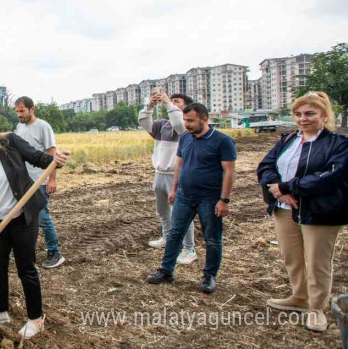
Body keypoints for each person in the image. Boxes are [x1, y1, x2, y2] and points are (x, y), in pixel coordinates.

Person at [0, 114, 69, 340]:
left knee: (25, 268)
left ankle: (35, 319)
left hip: (23, 218)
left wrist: (55, 160)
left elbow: (38, 158)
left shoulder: (10, 142)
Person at [256, 91, 348, 332]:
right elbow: (265, 166)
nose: (302, 119)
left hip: (320, 211)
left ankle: (317, 309)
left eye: (309, 113)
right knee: (292, 257)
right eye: (298, 114)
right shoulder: (287, 140)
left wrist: (289, 186)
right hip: (285, 209)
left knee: (317, 261)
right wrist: (278, 191)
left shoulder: (338, 143)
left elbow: (332, 176)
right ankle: (299, 297)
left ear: (324, 115)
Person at [147, 103, 236, 294]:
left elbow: (229, 172)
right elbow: (179, 164)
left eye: (190, 120)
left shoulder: (222, 141)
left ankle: (209, 276)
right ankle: (166, 270)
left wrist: (224, 200)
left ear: (204, 119)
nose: (186, 124)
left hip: (210, 198)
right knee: (175, 233)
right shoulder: (185, 138)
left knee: (212, 238)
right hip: (184, 196)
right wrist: (174, 189)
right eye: (185, 120)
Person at [138, 91, 198, 265]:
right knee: (163, 210)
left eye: (176, 101)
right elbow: (144, 122)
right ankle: (166, 237)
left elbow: (179, 124)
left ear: (186, 108)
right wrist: (149, 105)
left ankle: (189, 248)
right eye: (170, 100)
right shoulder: (162, 125)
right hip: (160, 172)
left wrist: (167, 104)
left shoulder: (188, 126)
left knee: (183, 213)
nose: (171, 103)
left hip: (178, 174)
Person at [14, 96, 65, 269]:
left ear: (32, 109)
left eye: (22, 111)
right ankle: (26, 251)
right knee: (23, 217)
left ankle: (55, 252)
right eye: (17, 112)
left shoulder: (43, 127)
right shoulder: (19, 127)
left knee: (42, 218)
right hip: (24, 181)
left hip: (40, 181)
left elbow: (52, 156)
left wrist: (52, 180)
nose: (19, 115)